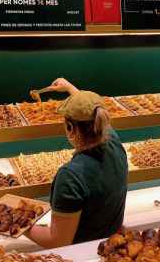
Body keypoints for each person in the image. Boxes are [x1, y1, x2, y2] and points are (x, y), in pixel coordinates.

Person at [26, 78, 128, 248]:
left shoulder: (70, 176)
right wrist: (69, 88)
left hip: (85, 254)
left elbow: (58, 241)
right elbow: (91, 110)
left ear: (70, 129)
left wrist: (20, 225)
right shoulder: (114, 144)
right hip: (112, 247)